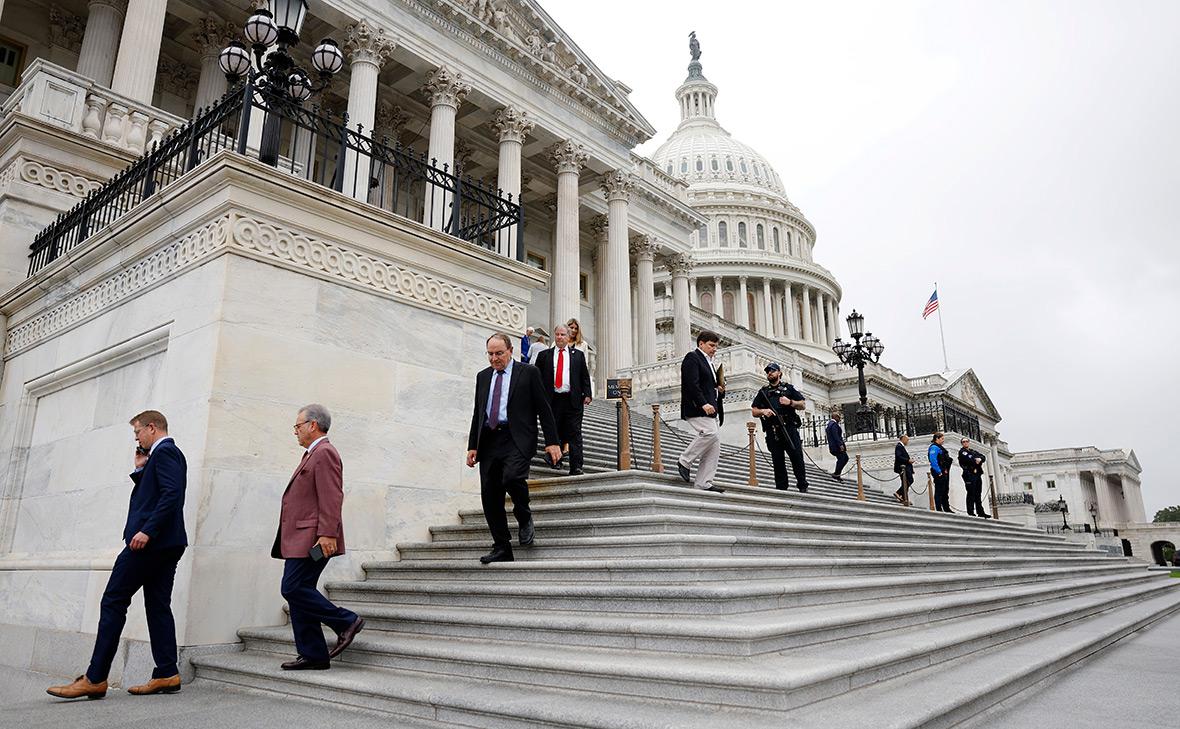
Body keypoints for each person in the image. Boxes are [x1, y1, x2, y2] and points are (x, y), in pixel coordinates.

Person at [47, 411, 188, 700]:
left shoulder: (167, 453)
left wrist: (147, 531)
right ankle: (166, 673)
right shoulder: (159, 457)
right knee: (158, 605)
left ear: (152, 427)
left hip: (150, 544)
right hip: (165, 544)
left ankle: (95, 677)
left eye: (138, 432)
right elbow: (156, 493)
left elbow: (173, 494)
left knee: (113, 600)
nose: (136, 438)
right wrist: (140, 471)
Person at [271, 404, 364, 671]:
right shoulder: (312, 454)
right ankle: (313, 654)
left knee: (292, 588)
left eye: (298, 426)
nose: (295, 432)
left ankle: (345, 621)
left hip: (313, 539)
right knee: (300, 592)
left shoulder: (325, 453)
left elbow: (332, 496)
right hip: (302, 539)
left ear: (313, 425)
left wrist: (326, 533)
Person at [467, 333, 562, 564]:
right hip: (489, 440)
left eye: (499, 353)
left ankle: (524, 514)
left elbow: (543, 408)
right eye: (490, 354)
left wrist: (552, 442)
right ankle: (502, 547)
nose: (494, 358)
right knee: (490, 495)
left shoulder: (528, 373)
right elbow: (479, 412)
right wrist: (472, 446)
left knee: (511, 478)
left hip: (516, 437)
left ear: (511, 351)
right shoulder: (483, 376)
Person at [534, 324, 593, 476]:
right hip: (552, 400)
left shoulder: (578, 355)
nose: (559, 337)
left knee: (575, 433)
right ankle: (556, 460)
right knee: (555, 431)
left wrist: (587, 394)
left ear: (568, 337)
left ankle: (576, 466)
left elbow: (584, 376)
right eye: (557, 334)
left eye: (562, 335)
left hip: (572, 400)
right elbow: (537, 379)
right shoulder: (544, 356)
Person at [676, 330, 725, 493]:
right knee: (710, 433)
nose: (714, 349)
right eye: (711, 345)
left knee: (715, 445)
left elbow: (706, 386)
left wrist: (718, 390)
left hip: (711, 409)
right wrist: (703, 403)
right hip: (697, 407)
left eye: (716, 347)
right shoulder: (693, 358)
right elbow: (691, 384)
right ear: (701, 344)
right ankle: (684, 460)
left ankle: (704, 482)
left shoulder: (709, 362)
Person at [750, 363, 808, 492]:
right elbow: (754, 410)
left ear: (779, 373)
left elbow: (803, 404)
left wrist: (790, 402)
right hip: (773, 430)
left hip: (789, 428)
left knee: (796, 457)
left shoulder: (788, 389)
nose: (769, 373)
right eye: (768, 371)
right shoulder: (763, 392)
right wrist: (763, 411)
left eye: (772, 371)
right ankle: (781, 487)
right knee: (777, 460)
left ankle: (802, 485)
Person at [958, 437, 991, 518]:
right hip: (969, 474)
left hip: (977, 474)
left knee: (978, 494)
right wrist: (976, 459)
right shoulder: (962, 452)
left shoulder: (972, 451)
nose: (965, 443)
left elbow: (983, 457)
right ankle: (970, 511)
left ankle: (981, 512)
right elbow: (968, 459)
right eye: (963, 442)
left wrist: (979, 459)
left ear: (969, 442)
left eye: (966, 441)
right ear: (962, 443)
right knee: (971, 493)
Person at [928, 431, 954, 513]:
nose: (943, 440)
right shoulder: (934, 448)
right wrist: (939, 471)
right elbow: (933, 460)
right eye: (942, 439)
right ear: (937, 439)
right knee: (939, 490)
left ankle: (946, 507)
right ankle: (939, 508)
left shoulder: (939, 447)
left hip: (944, 471)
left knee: (945, 490)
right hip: (939, 472)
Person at [826, 412, 848, 480]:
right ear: (835, 417)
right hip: (837, 446)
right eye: (839, 417)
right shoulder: (833, 424)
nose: (840, 419)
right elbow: (836, 436)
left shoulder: (830, 424)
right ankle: (836, 474)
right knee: (844, 458)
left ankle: (837, 474)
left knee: (843, 458)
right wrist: (840, 445)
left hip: (834, 446)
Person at [893, 434, 914, 505]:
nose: (908, 441)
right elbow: (898, 456)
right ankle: (898, 493)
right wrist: (908, 460)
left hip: (905, 468)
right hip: (902, 468)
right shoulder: (899, 446)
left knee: (905, 482)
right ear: (903, 439)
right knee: (909, 480)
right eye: (907, 439)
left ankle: (904, 498)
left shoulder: (901, 446)